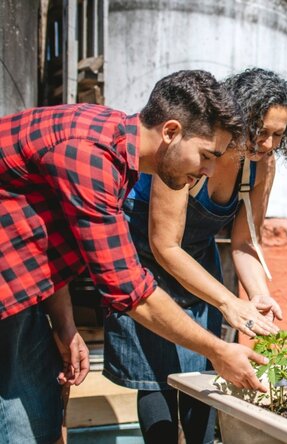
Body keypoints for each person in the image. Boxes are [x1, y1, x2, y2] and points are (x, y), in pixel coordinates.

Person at [0, 70, 269, 444]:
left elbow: (45, 242)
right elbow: (128, 289)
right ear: (171, 132)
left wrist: (63, 324)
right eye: (206, 155)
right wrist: (219, 350)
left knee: (37, 421)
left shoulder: (116, 147)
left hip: (20, 293)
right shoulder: (90, 157)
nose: (207, 170)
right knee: (20, 430)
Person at [103, 68, 287, 443]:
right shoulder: (187, 154)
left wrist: (256, 295)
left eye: (279, 134)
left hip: (199, 268)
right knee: (155, 375)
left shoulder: (261, 165)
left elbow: (245, 242)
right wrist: (227, 301)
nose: (268, 143)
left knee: (205, 372)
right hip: (148, 261)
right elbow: (165, 245)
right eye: (260, 129)